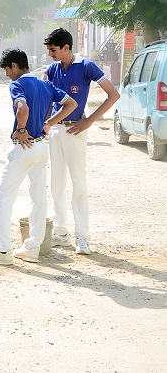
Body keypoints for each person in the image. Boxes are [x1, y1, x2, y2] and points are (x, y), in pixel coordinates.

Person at [0, 48, 77, 265]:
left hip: (24, 147)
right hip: (42, 146)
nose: (7, 75)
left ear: (14, 66)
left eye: (7, 70)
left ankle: (2, 250)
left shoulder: (18, 84)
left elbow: (22, 108)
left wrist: (21, 129)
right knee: (38, 198)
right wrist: (49, 123)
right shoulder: (45, 84)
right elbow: (72, 104)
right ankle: (32, 248)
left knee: (4, 198)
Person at [43, 28, 120, 255]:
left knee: (79, 184)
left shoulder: (86, 66)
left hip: (76, 131)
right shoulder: (51, 69)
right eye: (48, 50)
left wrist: (90, 121)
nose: (50, 54)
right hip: (55, 131)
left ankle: (83, 237)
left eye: (53, 50)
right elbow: (48, 100)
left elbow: (113, 95)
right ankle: (61, 232)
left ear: (67, 47)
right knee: (56, 184)